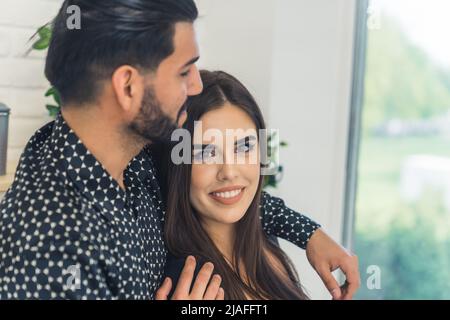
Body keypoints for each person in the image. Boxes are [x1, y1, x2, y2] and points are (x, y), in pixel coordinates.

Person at [0, 0, 359, 300]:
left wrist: (309, 233)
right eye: (184, 71)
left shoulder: (131, 160)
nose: (196, 85)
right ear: (127, 86)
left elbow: (218, 186)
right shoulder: (51, 242)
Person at [162, 70, 310, 299]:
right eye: (205, 152)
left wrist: (310, 232)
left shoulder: (265, 241)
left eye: (244, 147)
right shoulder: (191, 284)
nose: (229, 172)